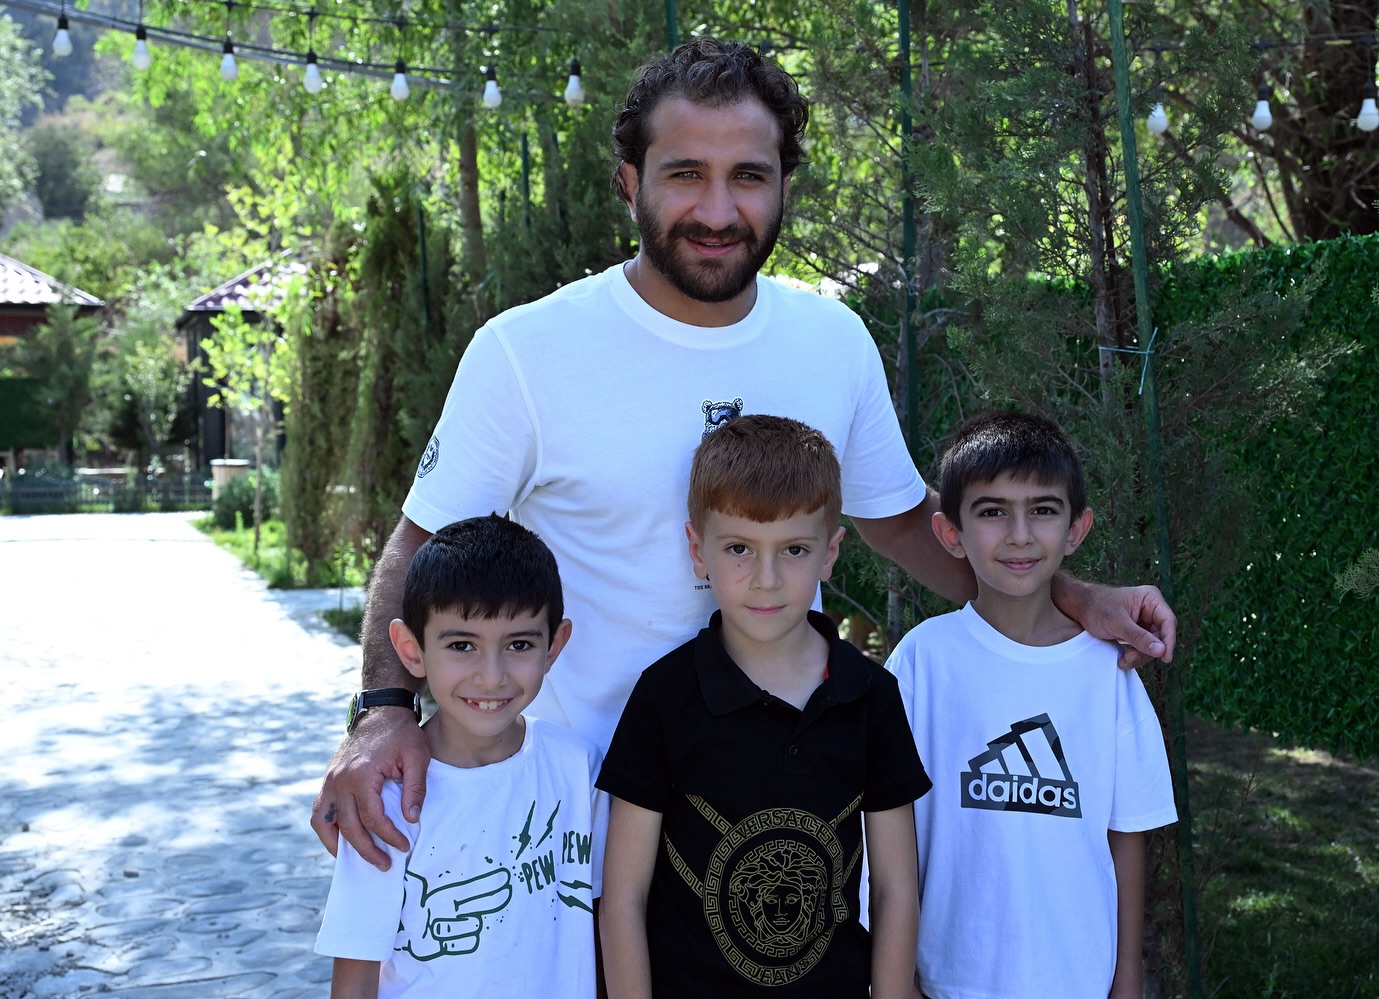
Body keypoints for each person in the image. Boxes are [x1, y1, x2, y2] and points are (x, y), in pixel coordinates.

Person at [311, 37, 1176, 871]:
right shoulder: (525, 352)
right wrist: (383, 710)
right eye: (687, 173)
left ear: (783, 185)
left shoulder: (833, 341)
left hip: (788, 831)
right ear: (630, 182)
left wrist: (1067, 596)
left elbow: (905, 524)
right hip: (584, 837)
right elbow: (421, 544)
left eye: (749, 177)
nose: (720, 212)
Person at [598, 415, 930, 998]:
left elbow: (896, 890)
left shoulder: (871, 696)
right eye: (739, 549)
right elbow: (624, 898)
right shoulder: (664, 697)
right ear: (698, 550)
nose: (766, 579)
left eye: (794, 549)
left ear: (830, 553)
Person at [886, 412, 1178, 999]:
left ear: (1076, 529)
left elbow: (1127, 835)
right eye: (992, 512)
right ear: (950, 533)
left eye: (1043, 510)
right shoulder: (922, 661)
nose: (1019, 534)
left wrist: (1126, 983)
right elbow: (887, 834)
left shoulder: (1109, 671)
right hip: (950, 983)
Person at [314, 515, 608, 999]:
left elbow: (602, 924)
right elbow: (355, 978)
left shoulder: (581, 769)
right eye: (462, 645)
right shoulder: (385, 802)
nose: (491, 677)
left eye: (519, 644)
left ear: (554, 645)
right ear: (411, 650)